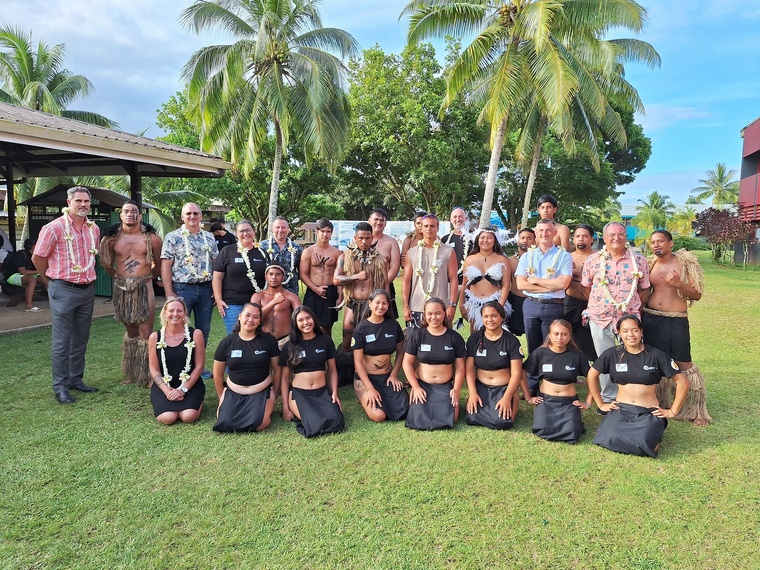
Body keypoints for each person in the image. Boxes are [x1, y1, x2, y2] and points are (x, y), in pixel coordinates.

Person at [32, 186, 100, 404]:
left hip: (87, 289)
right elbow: (38, 257)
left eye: (86, 201)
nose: (83, 205)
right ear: (68, 202)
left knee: (81, 338)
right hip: (62, 288)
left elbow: (93, 255)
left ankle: (75, 379)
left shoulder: (93, 228)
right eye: (78, 200)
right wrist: (49, 280)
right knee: (62, 341)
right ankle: (60, 387)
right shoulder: (54, 228)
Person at [586, 315, 689, 458]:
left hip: (648, 412)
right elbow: (592, 375)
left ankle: (650, 434)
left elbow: (682, 381)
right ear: (619, 333)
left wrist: (672, 411)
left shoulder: (656, 355)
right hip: (621, 409)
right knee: (608, 438)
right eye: (625, 331)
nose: (630, 335)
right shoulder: (613, 354)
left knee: (643, 443)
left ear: (641, 332)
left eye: (634, 330)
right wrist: (601, 403)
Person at [641, 230, 711, 426]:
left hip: (676, 319)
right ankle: (658, 401)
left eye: (660, 241)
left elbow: (696, 295)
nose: (656, 245)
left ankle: (695, 409)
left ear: (670, 243)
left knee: (683, 363)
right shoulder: (649, 264)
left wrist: (677, 283)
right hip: (651, 317)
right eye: (653, 242)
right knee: (654, 360)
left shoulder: (685, 262)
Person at [581, 221, 650, 406]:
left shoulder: (639, 261)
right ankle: (609, 398)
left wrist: (632, 307)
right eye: (611, 235)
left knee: (634, 356)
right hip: (600, 318)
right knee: (604, 358)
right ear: (604, 238)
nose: (616, 238)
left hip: (629, 318)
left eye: (620, 234)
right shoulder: (593, 260)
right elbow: (586, 288)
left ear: (626, 237)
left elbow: (644, 289)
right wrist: (601, 305)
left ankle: (633, 397)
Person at [99, 200, 163, 385]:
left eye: (134, 211)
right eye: (126, 211)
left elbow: (158, 264)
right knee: (131, 331)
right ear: (121, 215)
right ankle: (132, 373)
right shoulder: (111, 239)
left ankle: (151, 375)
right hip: (122, 288)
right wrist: (119, 277)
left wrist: (147, 278)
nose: (130, 214)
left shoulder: (152, 238)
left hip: (144, 285)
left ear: (140, 215)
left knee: (146, 331)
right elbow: (106, 263)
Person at [160, 202, 218, 378]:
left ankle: (197, 366)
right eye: (188, 214)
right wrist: (169, 293)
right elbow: (165, 266)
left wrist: (216, 288)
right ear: (182, 217)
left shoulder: (209, 237)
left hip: (206, 289)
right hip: (182, 288)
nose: (192, 217)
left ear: (201, 216)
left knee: (203, 330)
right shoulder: (173, 237)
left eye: (195, 213)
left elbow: (215, 264)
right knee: (178, 327)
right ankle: (177, 366)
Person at [515, 219, 572, 394]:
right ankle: (532, 383)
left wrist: (535, 280)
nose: (544, 234)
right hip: (531, 305)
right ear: (536, 233)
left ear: (554, 233)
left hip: (553, 306)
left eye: (548, 230)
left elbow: (563, 284)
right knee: (533, 345)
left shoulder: (563, 256)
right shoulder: (527, 256)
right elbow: (521, 284)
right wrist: (549, 284)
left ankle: (550, 382)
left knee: (552, 344)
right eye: (540, 230)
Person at [212, 302, 280, 432]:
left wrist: (274, 394)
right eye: (247, 315)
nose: (250, 320)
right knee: (225, 423)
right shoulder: (227, 342)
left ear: (260, 321)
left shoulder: (268, 341)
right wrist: (222, 396)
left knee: (259, 424)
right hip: (233, 390)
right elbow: (217, 374)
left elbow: (277, 370)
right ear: (239, 316)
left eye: (255, 317)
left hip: (261, 390)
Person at [279, 306, 344, 437]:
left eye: (308, 318)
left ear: (314, 319)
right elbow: (285, 379)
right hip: (300, 394)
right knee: (315, 424)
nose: (305, 322)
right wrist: (285, 407)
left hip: (322, 392)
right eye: (300, 320)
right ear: (295, 324)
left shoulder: (325, 341)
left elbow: (332, 370)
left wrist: (335, 393)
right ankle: (301, 412)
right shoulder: (290, 346)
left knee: (338, 422)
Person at [402, 297, 466, 430]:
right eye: (429, 313)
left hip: (445, 386)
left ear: (444, 313)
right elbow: (407, 364)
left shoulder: (454, 337)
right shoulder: (418, 335)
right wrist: (416, 387)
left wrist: (456, 389)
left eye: (437, 313)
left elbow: (460, 367)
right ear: (424, 315)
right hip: (423, 385)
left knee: (452, 418)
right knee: (418, 419)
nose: (434, 317)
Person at [524, 319, 591, 443]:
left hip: (568, 402)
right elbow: (521, 373)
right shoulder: (540, 353)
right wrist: (528, 397)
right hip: (546, 399)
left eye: (564, 334)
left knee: (572, 433)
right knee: (542, 429)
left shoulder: (576, 355)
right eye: (556, 334)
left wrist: (588, 402)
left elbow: (592, 377)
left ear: (570, 336)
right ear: (549, 334)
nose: (560, 337)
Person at [465, 301, 525, 430]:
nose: (490, 319)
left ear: (502, 317)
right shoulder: (474, 339)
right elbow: (469, 369)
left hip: (504, 389)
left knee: (502, 422)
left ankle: (510, 401)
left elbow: (516, 373)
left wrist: (507, 397)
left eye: (494, 316)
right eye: (486, 316)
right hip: (482, 387)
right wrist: (473, 393)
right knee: (472, 417)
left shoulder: (511, 341)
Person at [351, 289, 408, 422]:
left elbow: (401, 353)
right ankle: (362, 396)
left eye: (384, 303)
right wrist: (369, 388)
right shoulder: (361, 329)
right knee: (379, 416)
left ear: (388, 305)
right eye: (377, 303)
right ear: (370, 304)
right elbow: (358, 363)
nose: (380, 306)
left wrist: (394, 375)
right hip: (365, 379)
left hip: (388, 377)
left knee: (404, 410)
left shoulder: (393, 325)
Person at [147, 297, 206, 425]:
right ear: (164, 313)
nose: (175, 314)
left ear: (184, 313)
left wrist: (183, 389)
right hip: (164, 385)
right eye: (171, 311)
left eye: (179, 311)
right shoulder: (155, 337)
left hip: (190, 384)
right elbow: (154, 369)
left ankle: (197, 400)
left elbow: (200, 366)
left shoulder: (195, 334)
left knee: (188, 416)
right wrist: (167, 390)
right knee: (168, 418)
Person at [334, 221, 388, 350]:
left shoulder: (380, 260)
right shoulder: (345, 257)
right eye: (361, 238)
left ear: (372, 238)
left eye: (367, 238)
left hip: (372, 305)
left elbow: (385, 284)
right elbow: (336, 280)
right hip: (353, 303)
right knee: (347, 335)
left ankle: (368, 367)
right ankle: (347, 366)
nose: (364, 242)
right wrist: (355, 276)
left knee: (371, 339)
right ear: (355, 238)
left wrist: (386, 306)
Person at [212, 220, 268, 334]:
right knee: (235, 336)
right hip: (233, 303)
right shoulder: (227, 251)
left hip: (257, 304)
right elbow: (217, 277)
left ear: (254, 232)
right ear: (236, 234)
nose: (245, 233)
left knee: (257, 336)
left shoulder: (262, 253)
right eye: (241, 231)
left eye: (248, 230)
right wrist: (218, 300)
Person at [402, 214, 459, 327]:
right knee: (415, 342)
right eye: (426, 226)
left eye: (432, 226)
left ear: (437, 228)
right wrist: (406, 306)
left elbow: (453, 279)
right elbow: (406, 280)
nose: (429, 229)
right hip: (417, 306)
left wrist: (452, 304)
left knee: (441, 342)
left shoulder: (448, 251)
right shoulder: (412, 252)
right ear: (421, 228)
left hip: (441, 306)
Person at [459, 227, 512, 332]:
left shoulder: (503, 260)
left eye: (489, 238)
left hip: (495, 302)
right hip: (474, 304)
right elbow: (465, 284)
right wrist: (462, 305)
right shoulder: (470, 259)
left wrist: (499, 307)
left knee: (495, 336)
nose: (485, 241)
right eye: (482, 237)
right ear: (477, 239)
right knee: (475, 337)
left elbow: (506, 285)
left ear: (495, 240)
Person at [300, 218, 342, 336]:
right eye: (322, 231)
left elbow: (339, 276)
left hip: (330, 291)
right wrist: (315, 289)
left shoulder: (337, 253)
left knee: (327, 326)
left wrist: (340, 296)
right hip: (313, 291)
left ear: (331, 233)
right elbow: (303, 274)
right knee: (309, 324)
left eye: (328, 232)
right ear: (316, 232)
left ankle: (327, 351)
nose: (325, 234)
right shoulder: (308, 251)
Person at [563, 224, 597, 360]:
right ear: (573, 239)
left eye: (585, 236)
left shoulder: (600, 257)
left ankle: (596, 368)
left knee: (592, 337)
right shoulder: (567, 257)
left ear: (592, 239)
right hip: (570, 302)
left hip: (593, 302)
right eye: (578, 236)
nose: (581, 239)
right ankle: (571, 367)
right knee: (569, 335)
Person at [251, 263, 302, 348]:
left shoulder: (291, 296)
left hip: (286, 340)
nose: (274, 277)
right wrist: (274, 302)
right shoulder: (257, 296)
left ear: (283, 277)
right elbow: (254, 317)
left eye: (278, 274)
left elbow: (301, 316)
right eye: (271, 274)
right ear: (266, 277)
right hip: (263, 339)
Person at [368, 208, 402, 318]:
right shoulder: (361, 240)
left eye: (382, 220)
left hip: (386, 286)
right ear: (369, 221)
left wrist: (382, 282)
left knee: (387, 321)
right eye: (376, 219)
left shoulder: (391, 242)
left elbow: (395, 267)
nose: (379, 222)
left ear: (385, 223)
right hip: (364, 288)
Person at [260, 217, 302, 295]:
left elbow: (301, 271)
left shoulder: (297, 248)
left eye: (283, 227)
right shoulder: (262, 246)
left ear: (288, 229)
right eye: (277, 227)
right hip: (268, 292)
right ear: (272, 229)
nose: (280, 230)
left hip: (291, 291)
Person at [5, 237, 47, 312]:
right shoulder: (21, 255)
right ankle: (28, 306)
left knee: (46, 279)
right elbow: (23, 272)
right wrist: (39, 271)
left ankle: (55, 302)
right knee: (32, 280)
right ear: (33, 246)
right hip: (13, 275)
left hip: (29, 274)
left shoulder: (37, 255)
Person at [506, 228, 535, 335]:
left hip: (532, 300)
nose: (525, 241)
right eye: (522, 238)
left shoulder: (538, 260)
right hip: (514, 301)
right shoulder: (509, 261)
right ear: (518, 241)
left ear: (535, 241)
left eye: (529, 238)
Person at [441, 207, 470, 280]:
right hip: (448, 281)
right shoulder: (445, 239)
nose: (457, 219)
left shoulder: (472, 238)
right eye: (455, 217)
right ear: (451, 220)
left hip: (469, 281)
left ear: (466, 219)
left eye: (460, 216)